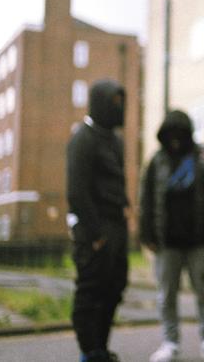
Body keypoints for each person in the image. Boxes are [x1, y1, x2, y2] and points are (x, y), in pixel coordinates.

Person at [139, 110, 204, 362]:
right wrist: (146, 234)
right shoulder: (156, 162)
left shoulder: (203, 159)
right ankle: (169, 343)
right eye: (170, 134)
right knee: (166, 294)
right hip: (166, 243)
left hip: (199, 242)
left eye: (180, 134)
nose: (175, 139)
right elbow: (145, 200)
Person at [66, 79, 130, 362]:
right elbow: (76, 192)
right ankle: (89, 351)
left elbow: (116, 181)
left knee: (113, 288)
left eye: (121, 101)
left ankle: (101, 348)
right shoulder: (83, 139)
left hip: (117, 227)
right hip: (95, 228)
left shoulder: (115, 140)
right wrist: (95, 234)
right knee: (90, 291)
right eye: (113, 102)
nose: (119, 108)